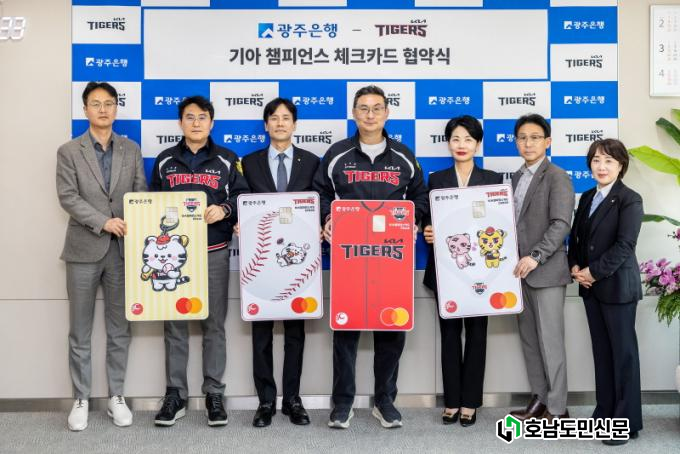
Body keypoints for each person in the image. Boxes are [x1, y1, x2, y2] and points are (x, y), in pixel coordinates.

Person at [313, 85, 428, 429]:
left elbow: (420, 197)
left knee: (391, 328)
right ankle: (342, 403)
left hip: (393, 258)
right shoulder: (337, 154)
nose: (370, 114)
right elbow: (320, 193)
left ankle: (385, 401)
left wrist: (414, 220)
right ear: (354, 113)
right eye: (363, 108)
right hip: (349, 257)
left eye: (377, 108)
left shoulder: (404, 156)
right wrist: (327, 218)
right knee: (346, 329)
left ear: (387, 113)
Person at [151, 95, 248, 427]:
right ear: (180, 123)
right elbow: (150, 203)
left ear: (211, 122)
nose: (196, 123)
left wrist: (224, 209)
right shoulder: (165, 160)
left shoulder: (227, 159)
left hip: (214, 251)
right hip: (173, 259)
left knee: (214, 325)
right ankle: (175, 394)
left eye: (202, 117)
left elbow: (242, 196)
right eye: (190, 117)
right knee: (174, 324)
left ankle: (214, 394)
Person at [56, 81, 147, 431]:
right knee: (79, 330)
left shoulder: (131, 149)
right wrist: (103, 222)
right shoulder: (69, 151)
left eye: (109, 103)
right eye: (96, 104)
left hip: (123, 251)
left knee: (119, 329)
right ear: (85, 109)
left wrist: (129, 220)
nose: (103, 109)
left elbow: (140, 193)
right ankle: (80, 398)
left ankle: (116, 396)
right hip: (83, 248)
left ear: (116, 108)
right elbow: (68, 197)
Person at [240, 98, 320, 427]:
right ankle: (265, 401)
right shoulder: (249, 162)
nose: (280, 123)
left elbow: (320, 203)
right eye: (274, 118)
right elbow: (240, 200)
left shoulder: (311, 162)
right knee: (261, 333)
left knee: (295, 333)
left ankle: (292, 399)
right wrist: (240, 220)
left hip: (297, 263)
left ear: (294, 125)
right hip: (260, 264)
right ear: (266, 125)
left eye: (286, 118)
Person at [422, 115, 502, 427]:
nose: (461, 145)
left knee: (478, 335)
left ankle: (470, 402)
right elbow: (428, 217)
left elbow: (498, 222)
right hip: (446, 271)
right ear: (448, 143)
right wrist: (427, 229)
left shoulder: (492, 178)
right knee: (449, 335)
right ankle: (452, 401)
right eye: (455, 139)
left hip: (481, 273)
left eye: (468, 139)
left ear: (478, 144)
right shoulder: (437, 179)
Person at [568, 138, 643, 446]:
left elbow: (625, 245)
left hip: (617, 288)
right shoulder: (587, 196)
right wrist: (575, 266)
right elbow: (576, 238)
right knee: (602, 354)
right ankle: (604, 415)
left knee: (623, 356)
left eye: (609, 161)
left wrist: (593, 272)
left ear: (620, 165)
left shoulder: (629, 199)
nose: (601, 166)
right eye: (597, 160)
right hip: (591, 289)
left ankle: (625, 422)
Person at [508, 114, 575, 422]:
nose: (528, 143)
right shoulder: (515, 178)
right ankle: (539, 400)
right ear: (516, 142)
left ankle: (558, 408)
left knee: (551, 343)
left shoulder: (557, 176)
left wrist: (535, 256)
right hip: (517, 274)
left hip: (545, 271)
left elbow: (561, 223)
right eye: (522, 137)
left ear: (547, 141)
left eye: (535, 137)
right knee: (531, 342)